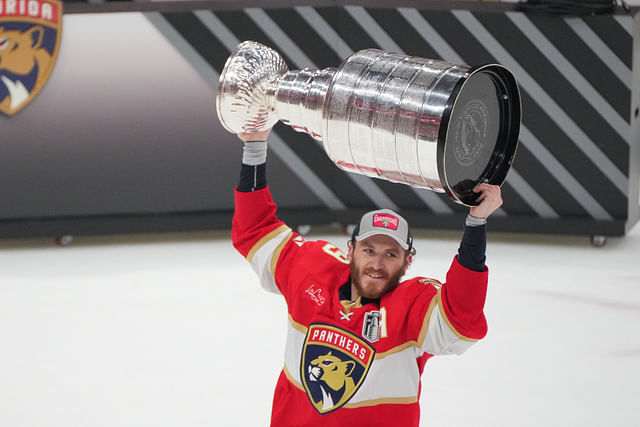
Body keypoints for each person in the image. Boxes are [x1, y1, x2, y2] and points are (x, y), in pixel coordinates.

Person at [231, 128, 503, 427]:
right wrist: (254, 147)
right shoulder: (311, 271)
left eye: (390, 254)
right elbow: (255, 230)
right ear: (350, 250)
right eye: (369, 250)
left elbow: (461, 319)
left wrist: (476, 223)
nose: (377, 263)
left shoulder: (413, 308)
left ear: (407, 262)